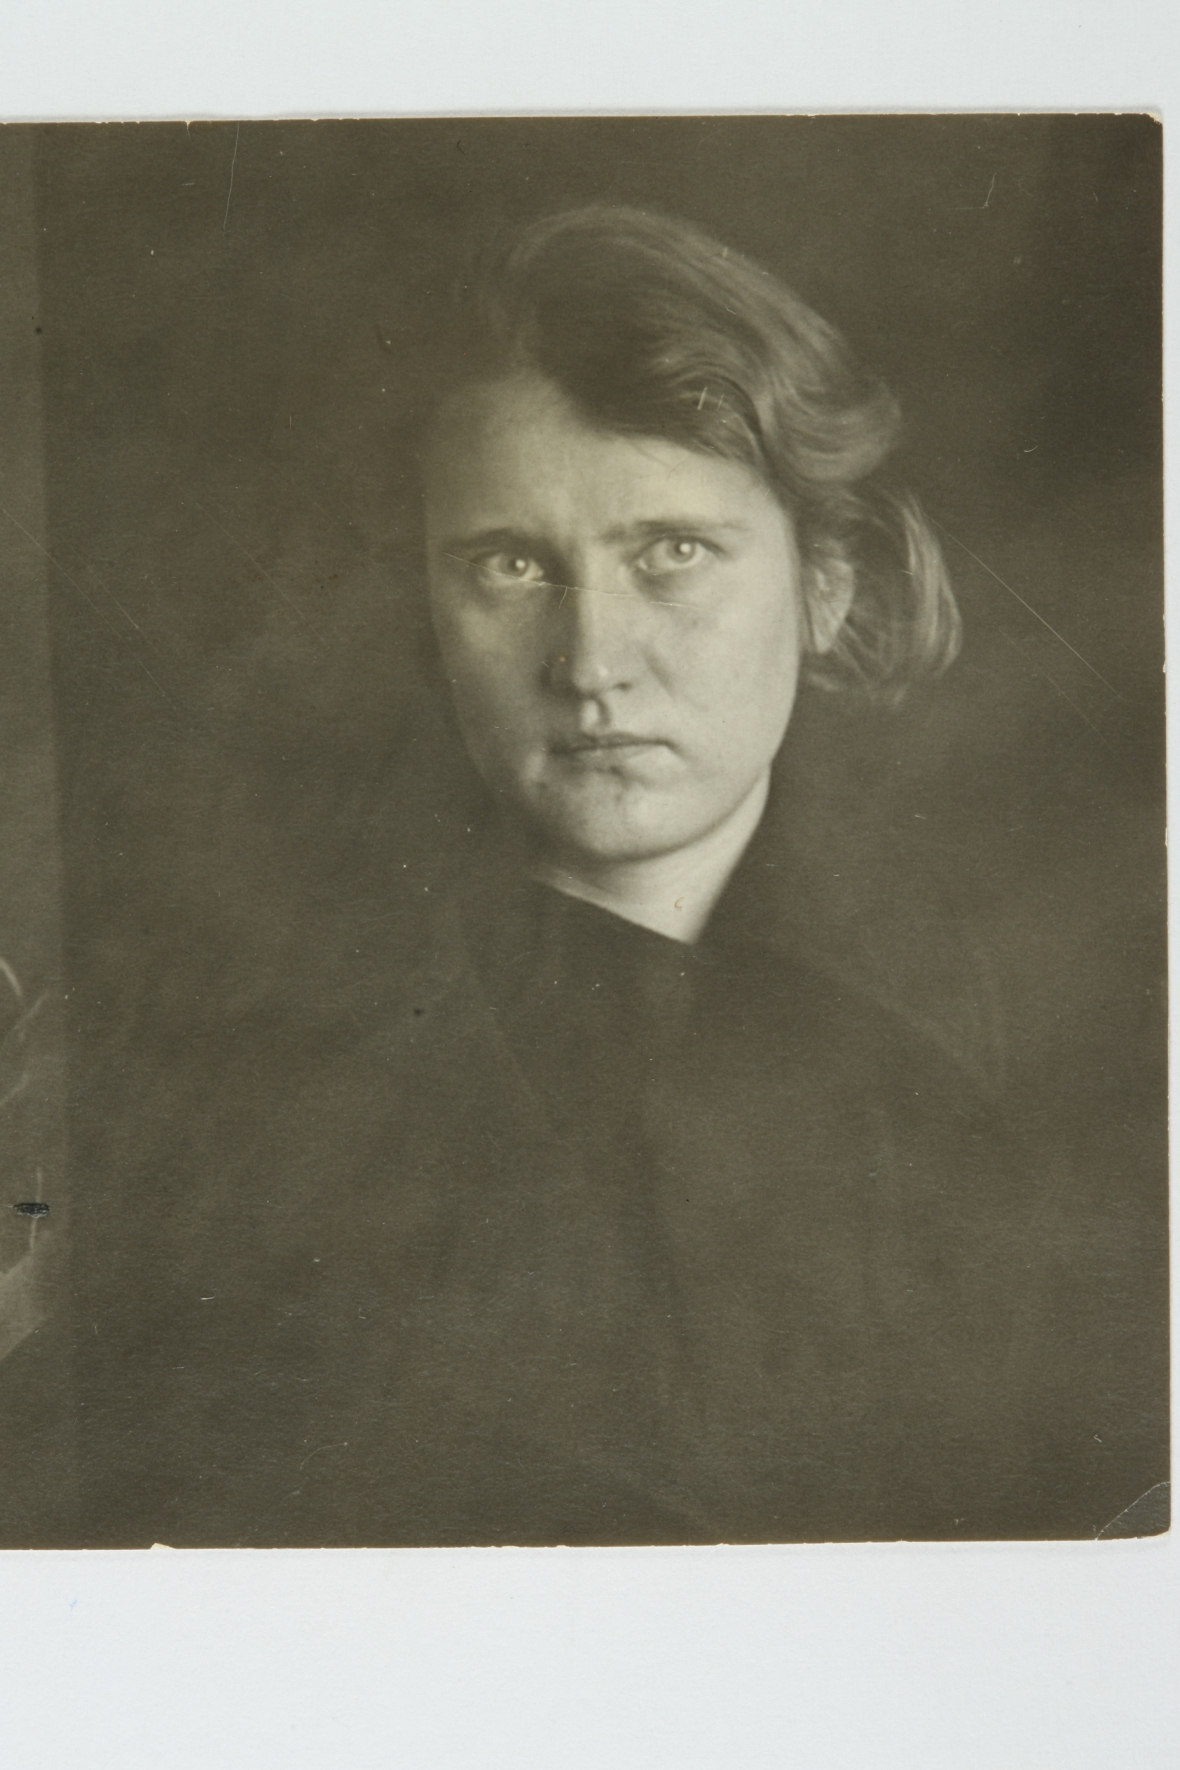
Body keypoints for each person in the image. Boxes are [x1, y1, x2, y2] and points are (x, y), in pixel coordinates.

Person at [71, 205, 1167, 1547]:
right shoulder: (244, 1083)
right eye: (511, 565)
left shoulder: (1055, 1048)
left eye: (673, 553)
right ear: (425, 601)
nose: (591, 663)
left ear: (823, 583)